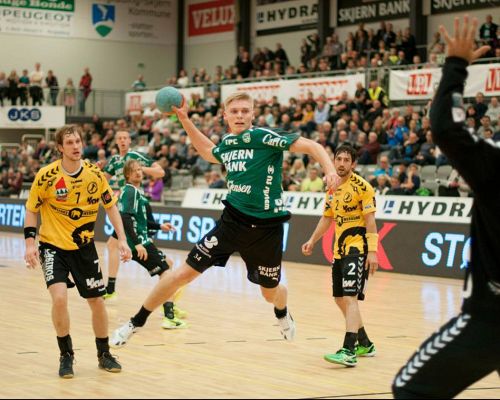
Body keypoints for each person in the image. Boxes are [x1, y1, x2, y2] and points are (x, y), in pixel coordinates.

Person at [110, 91, 341, 347]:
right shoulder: (228, 143)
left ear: (253, 114)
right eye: (234, 111)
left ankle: (282, 312)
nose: (240, 115)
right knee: (181, 275)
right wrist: (185, 119)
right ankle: (134, 323)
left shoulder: (264, 137)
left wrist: (330, 170)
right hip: (231, 223)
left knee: (270, 293)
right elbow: (208, 151)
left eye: (245, 111)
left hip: (267, 229)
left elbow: (312, 146)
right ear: (225, 116)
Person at [392, 16, 499, 398]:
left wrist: (456, 65)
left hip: (490, 321)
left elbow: (444, 127)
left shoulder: (495, 167)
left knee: (408, 390)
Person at [23, 124, 132, 378]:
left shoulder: (94, 174)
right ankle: (66, 355)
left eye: (78, 142)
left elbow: (111, 207)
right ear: (60, 148)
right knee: (60, 298)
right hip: (52, 247)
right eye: (69, 143)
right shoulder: (47, 176)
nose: (75, 146)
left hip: (84, 247)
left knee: (97, 301)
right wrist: (30, 243)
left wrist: (123, 239)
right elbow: (31, 209)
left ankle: (104, 354)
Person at [302, 144, 378, 367]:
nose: (342, 163)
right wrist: (312, 240)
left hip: (358, 248)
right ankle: (365, 343)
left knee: (350, 297)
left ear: (353, 164)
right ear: (334, 161)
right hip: (340, 250)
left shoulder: (363, 187)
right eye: (339, 159)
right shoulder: (332, 188)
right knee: (339, 298)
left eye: (346, 160)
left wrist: (372, 252)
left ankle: (349, 350)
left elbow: (371, 221)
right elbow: (327, 218)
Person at [119, 159, 186, 329]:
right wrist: (136, 244)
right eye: (134, 170)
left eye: (139, 169)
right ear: (127, 175)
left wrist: (160, 226)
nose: (138, 172)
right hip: (140, 243)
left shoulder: (136, 192)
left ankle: (168, 306)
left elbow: (142, 221)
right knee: (168, 275)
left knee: (168, 264)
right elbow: (125, 217)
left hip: (142, 241)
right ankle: (169, 316)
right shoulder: (130, 191)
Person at [102, 130, 165, 300]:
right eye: (119, 138)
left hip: (138, 206)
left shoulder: (136, 156)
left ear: (130, 140)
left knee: (145, 244)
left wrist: (139, 168)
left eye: (125, 138)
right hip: (125, 207)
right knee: (112, 244)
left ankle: (167, 277)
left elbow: (160, 172)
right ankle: (111, 288)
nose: (122, 140)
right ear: (116, 141)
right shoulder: (114, 160)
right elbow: (102, 179)